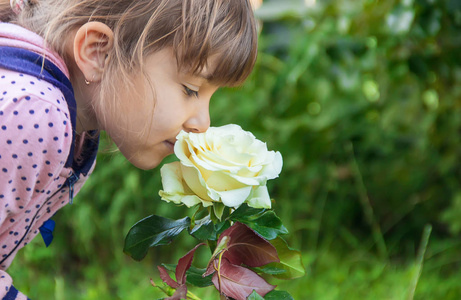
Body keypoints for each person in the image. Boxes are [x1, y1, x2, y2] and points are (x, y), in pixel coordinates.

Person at [0, 0, 258, 298]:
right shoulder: (35, 113)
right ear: (99, 53)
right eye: (190, 88)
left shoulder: (76, 132)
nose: (204, 123)